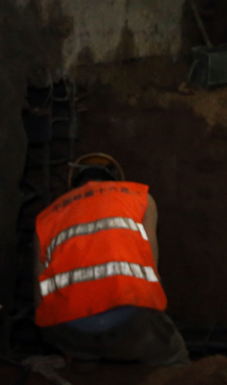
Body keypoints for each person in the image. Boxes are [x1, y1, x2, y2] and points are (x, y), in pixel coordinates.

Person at [33, 153, 189, 365]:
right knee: (174, 359)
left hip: (69, 331)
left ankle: (86, 362)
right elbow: (153, 273)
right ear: (116, 179)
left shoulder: (45, 218)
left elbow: (39, 297)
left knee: (83, 357)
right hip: (130, 321)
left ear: (73, 183)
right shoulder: (141, 199)